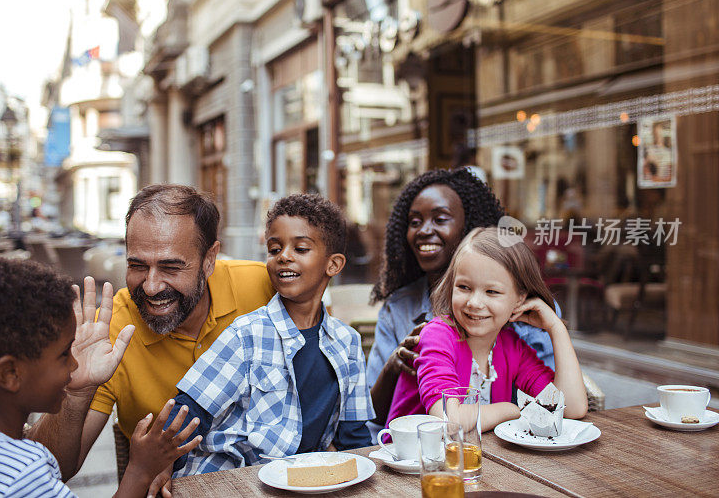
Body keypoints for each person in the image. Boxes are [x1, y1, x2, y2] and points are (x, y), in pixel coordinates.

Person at [28, 184, 275, 496]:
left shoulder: (262, 286)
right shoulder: (112, 328)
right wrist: (76, 392)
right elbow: (48, 470)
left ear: (209, 259)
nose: (151, 286)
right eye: (137, 266)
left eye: (171, 267)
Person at [0, 258, 202, 497]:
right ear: (10, 374)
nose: (75, 364)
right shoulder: (25, 478)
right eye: (64, 354)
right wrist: (140, 470)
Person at [167, 194, 374, 475]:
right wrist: (161, 465)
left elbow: (354, 435)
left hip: (301, 479)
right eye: (274, 249)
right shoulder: (246, 334)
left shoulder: (348, 342)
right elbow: (188, 411)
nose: (284, 257)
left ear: (333, 265)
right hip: (229, 476)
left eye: (300, 249)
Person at [366, 168, 555, 425]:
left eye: (440, 219)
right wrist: (393, 368)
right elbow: (371, 415)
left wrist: (556, 328)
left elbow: (552, 401)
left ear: (469, 227)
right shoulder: (399, 308)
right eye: (414, 222)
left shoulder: (527, 315)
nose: (424, 230)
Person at [387, 227, 588, 430]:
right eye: (464, 287)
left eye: (491, 291)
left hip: (473, 458)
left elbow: (572, 408)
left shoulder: (512, 347)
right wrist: (513, 410)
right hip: (413, 458)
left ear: (520, 298)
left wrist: (555, 328)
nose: (474, 302)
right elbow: (449, 422)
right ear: (451, 285)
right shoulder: (437, 336)